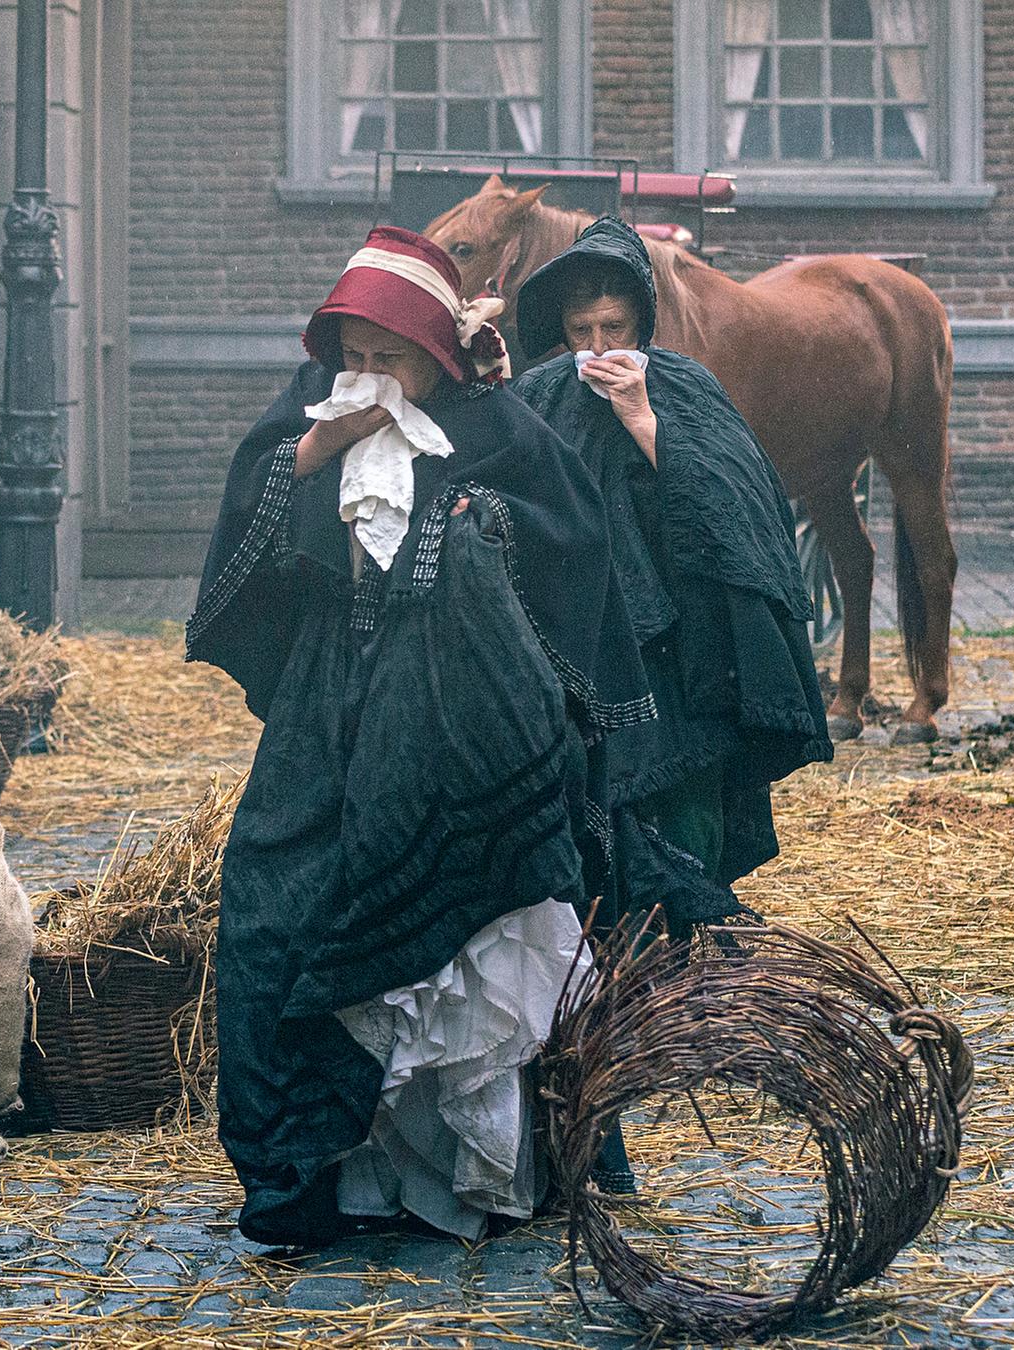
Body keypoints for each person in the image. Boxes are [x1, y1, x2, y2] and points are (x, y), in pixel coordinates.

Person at [184, 226, 653, 1247]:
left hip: (463, 725)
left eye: (388, 362)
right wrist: (324, 450)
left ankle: (465, 1173)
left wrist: (470, 528)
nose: (366, 378)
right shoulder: (310, 418)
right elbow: (259, 528)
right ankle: (320, 1176)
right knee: (277, 900)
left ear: (433, 364)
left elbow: (568, 547)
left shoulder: (496, 431)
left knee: (469, 932)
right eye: (351, 358)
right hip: (329, 709)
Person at [510, 215, 831, 1191]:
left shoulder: (685, 389)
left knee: (667, 895)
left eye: (616, 327)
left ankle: (643, 1057)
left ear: (642, 324)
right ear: (556, 334)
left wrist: (648, 426)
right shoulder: (535, 408)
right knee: (588, 907)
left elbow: (744, 522)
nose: (600, 350)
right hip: (588, 699)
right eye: (581, 332)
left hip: (685, 692)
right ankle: (586, 1114)